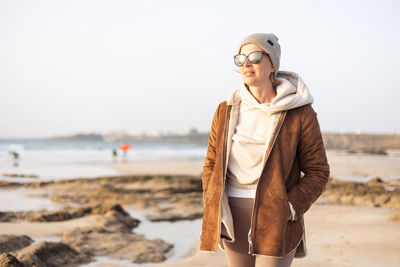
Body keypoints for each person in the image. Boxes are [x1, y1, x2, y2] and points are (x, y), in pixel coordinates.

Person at [200, 33, 330, 267]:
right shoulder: (226, 109)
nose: (247, 63)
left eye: (255, 56)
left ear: (273, 65)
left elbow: (318, 171)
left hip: (276, 216)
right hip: (232, 214)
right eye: (241, 59)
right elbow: (211, 163)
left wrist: (289, 207)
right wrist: (212, 199)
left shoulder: (300, 113)